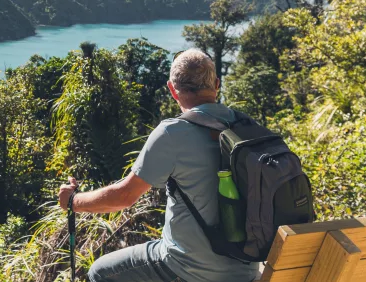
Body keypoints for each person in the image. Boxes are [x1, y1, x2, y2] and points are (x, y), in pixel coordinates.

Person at [57, 49, 259, 282]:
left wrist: (73, 201)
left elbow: (124, 196)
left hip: (189, 267)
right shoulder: (246, 126)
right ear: (216, 84)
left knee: (100, 272)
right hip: (246, 268)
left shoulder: (172, 132)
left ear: (173, 90)